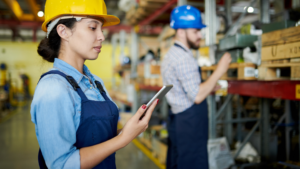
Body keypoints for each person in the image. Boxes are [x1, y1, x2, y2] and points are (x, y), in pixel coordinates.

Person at [30, 0, 158, 168]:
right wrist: (122, 139)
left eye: (101, 29)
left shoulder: (95, 82)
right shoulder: (53, 88)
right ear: (64, 31)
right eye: (93, 28)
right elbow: (61, 164)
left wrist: (129, 131)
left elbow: (97, 140)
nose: (102, 36)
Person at [161, 5, 232, 169]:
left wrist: (209, 86)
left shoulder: (174, 54)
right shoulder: (183, 58)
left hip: (179, 120)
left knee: (178, 162)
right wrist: (220, 70)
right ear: (180, 32)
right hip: (189, 123)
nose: (200, 35)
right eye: (195, 31)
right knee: (192, 163)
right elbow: (197, 96)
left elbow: (188, 87)